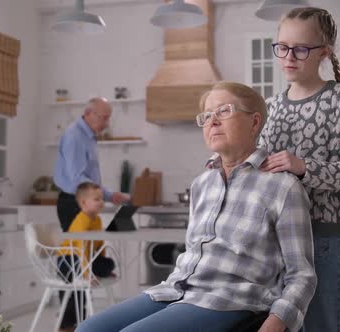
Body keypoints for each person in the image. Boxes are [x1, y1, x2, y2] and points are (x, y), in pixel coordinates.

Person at [76, 81, 316, 332]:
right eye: (207, 116)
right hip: (175, 290)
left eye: (224, 111)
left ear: (254, 122)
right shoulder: (202, 184)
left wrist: (276, 323)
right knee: (87, 330)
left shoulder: (283, 187)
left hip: (231, 299)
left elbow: (302, 275)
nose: (213, 121)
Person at [258, 7, 340, 332]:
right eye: (282, 47)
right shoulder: (272, 106)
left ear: (325, 52)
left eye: (301, 49)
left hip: (325, 237)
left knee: (324, 325)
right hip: (278, 239)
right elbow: (261, 165)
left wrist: (302, 166)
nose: (289, 57)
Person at [53, 97, 130, 232]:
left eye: (108, 118)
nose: (107, 124)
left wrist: (109, 196)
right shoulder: (75, 136)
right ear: (88, 113)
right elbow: (78, 179)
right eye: (104, 118)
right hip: (74, 203)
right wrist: (107, 195)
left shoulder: (88, 137)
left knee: (90, 250)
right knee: (78, 251)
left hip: (83, 201)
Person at [57, 182, 117, 332]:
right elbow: (80, 250)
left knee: (108, 263)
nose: (101, 202)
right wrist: (86, 273)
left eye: (102, 199)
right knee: (75, 292)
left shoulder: (96, 220)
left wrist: (103, 266)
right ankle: (66, 325)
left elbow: (99, 245)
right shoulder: (81, 221)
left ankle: (77, 321)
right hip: (69, 259)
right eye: (97, 199)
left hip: (87, 258)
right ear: (83, 203)